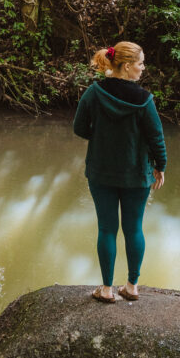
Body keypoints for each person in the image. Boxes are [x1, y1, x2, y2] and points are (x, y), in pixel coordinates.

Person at [73, 40, 167, 303]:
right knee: (134, 228)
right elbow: (156, 137)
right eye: (140, 64)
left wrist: (101, 137)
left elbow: (79, 128)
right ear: (127, 66)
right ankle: (131, 287)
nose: (143, 68)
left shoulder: (94, 92)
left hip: (101, 172)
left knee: (106, 229)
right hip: (137, 174)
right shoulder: (144, 100)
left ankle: (106, 290)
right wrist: (161, 167)